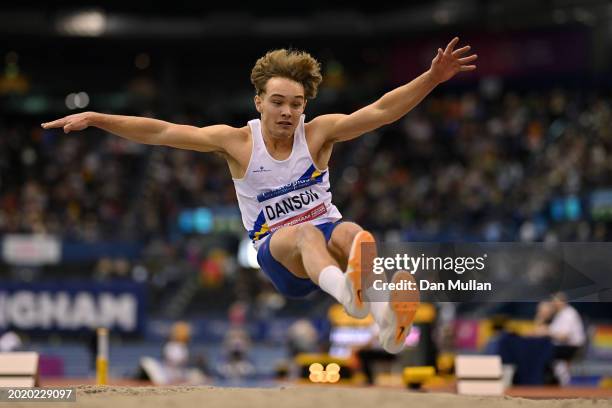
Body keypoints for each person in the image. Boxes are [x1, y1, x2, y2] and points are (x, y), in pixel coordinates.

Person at [42, 37, 477, 354]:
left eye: (297, 104)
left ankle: (384, 322)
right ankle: (351, 297)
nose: (288, 112)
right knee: (308, 233)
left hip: (327, 232)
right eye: (278, 102)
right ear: (259, 102)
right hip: (278, 249)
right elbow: (161, 131)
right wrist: (97, 117)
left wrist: (432, 78)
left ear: (305, 106)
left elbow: (382, 111)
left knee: (352, 234)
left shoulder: (318, 133)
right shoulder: (237, 143)